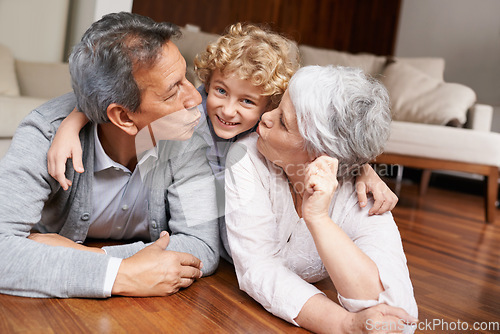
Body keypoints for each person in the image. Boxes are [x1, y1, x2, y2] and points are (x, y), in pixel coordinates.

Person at [46, 23, 398, 260]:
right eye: (219, 91)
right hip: (182, 223)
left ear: (269, 104)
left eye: (246, 101)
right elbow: (118, 100)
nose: (227, 110)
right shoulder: (189, 106)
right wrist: (73, 122)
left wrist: (363, 168)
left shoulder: (269, 129)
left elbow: (323, 136)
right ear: (205, 84)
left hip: (236, 237)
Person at [0, 12, 220, 298]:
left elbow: (203, 244)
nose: (195, 100)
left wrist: (85, 254)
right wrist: (123, 275)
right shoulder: (44, 133)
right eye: (171, 92)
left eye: (186, 78)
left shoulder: (186, 129)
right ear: (124, 118)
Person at [224, 65, 418, 333]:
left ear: (320, 155)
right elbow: (259, 268)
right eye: (279, 106)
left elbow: (398, 314)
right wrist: (344, 324)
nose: (266, 116)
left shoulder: (365, 192)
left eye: (283, 122)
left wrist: (318, 218)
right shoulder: (245, 158)